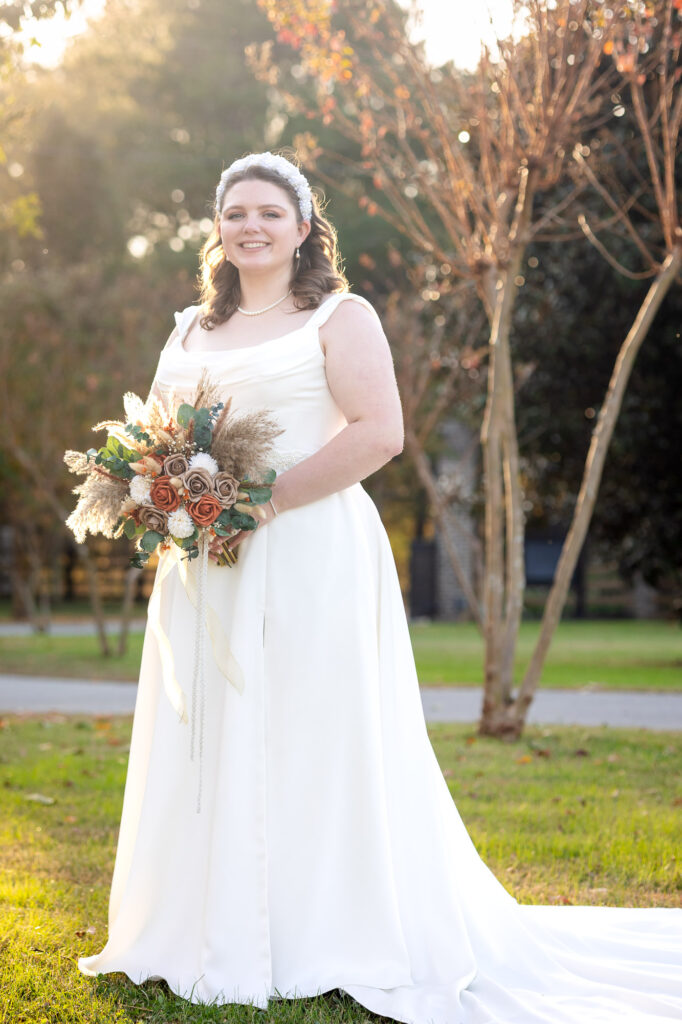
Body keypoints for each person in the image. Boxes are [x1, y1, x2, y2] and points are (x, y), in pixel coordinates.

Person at [78, 151, 682, 1024]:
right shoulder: (187, 329)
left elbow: (383, 433)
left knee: (316, 732)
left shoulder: (339, 315)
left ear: (302, 226)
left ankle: (324, 930)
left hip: (307, 546)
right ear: (218, 228)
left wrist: (262, 504)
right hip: (205, 563)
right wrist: (167, 498)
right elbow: (165, 434)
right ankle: (198, 928)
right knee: (209, 731)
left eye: (269, 213)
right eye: (236, 212)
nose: (251, 225)